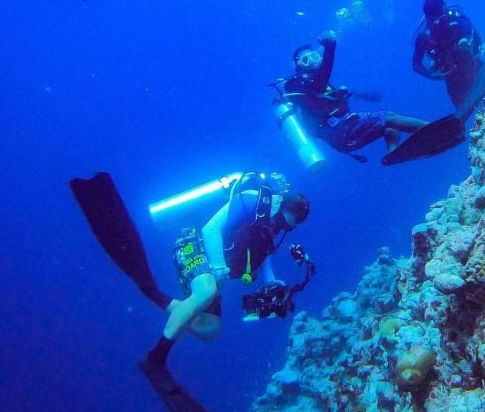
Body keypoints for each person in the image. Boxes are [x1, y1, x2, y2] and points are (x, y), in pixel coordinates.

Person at [70, 171, 311, 411]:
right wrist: (218, 266)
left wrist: (273, 282)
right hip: (193, 245)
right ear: (287, 208)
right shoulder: (252, 200)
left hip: (215, 272)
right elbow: (211, 228)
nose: (287, 226)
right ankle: (155, 359)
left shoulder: (276, 223)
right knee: (205, 292)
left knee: (210, 329)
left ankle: (154, 293)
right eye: (290, 221)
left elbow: (263, 255)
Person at [282, 30, 428, 159]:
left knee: (389, 127)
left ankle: (393, 152)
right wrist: (330, 49)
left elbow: (320, 100)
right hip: (340, 130)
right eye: (306, 60)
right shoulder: (297, 83)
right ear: (298, 66)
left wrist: (337, 97)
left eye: (315, 57)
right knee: (390, 117)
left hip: (341, 138)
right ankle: (431, 129)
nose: (313, 62)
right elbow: (320, 83)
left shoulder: (311, 87)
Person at [412, 0, 483, 122]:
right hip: (451, 76)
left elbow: (471, 36)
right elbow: (416, 64)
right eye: (434, 21)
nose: (438, 24)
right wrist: (431, 74)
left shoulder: (457, 19)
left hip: (473, 66)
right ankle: (472, 121)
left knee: (463, 46)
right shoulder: (424, 37)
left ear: (444, 9)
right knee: (465, 110)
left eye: (440, 18)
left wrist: (465, 45)